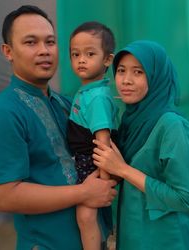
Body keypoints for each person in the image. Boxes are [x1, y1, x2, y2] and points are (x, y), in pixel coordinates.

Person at [0, 5, 117, 250]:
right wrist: (84, 194)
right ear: (8, 51)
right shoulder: (2, 116)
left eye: (50, 42)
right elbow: (4, 196)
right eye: (31, 42)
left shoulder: (66, 104)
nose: (44, 51)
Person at [92, 40, 189, 250]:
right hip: (132, 236)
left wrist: (122, 169)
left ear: (156, 77)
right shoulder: (130, 121)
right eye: (121, 71)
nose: (126, 80)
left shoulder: (172, 125)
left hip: (164, 240)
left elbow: (184, 197)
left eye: (138, 72)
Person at [66, 21, 118, 250]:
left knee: (86, 217)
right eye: (75, 54)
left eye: (89, 54)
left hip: (93, 163)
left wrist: (104, 182)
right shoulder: (88, 90)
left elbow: (103, 141)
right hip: (85, 162)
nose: (81, 60)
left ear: (107, 60)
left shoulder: (97, 97)